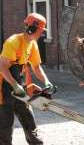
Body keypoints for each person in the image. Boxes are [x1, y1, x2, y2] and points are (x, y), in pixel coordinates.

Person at [0, 13, 54, 145]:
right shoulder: (13, 42)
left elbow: (36, 67)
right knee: (5, 134)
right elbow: (2, 67)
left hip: (20, 92)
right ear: (32, 28)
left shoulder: (33, 45)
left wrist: (46, 81)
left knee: (32, 130)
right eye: (41, 30)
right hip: (2, 92)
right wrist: (14, 85)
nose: (42, 33)